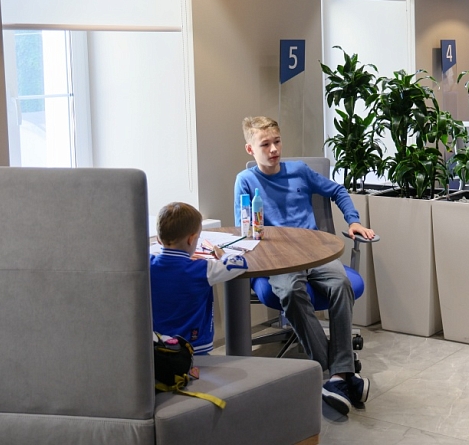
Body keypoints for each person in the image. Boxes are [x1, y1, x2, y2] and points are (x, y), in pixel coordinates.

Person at [234, 116, 375, 416]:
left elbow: (337, 191)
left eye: (277, 141)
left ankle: (336, 377)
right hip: (279, 258)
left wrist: (353, 220)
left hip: (315, 251)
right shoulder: (245, 181)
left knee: (341, 284)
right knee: (289, 291)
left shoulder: (299, 171)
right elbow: (243, 229)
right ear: (250, 149)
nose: (274, 149)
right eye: (265, 144)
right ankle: (340, 372)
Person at [150, 202, 249, 355]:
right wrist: (222, 255)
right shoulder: (202, 269)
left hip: (158, 347)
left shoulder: (149, 265)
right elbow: (239, 264)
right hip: (195, 347)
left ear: (158, 239)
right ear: (192, 239)